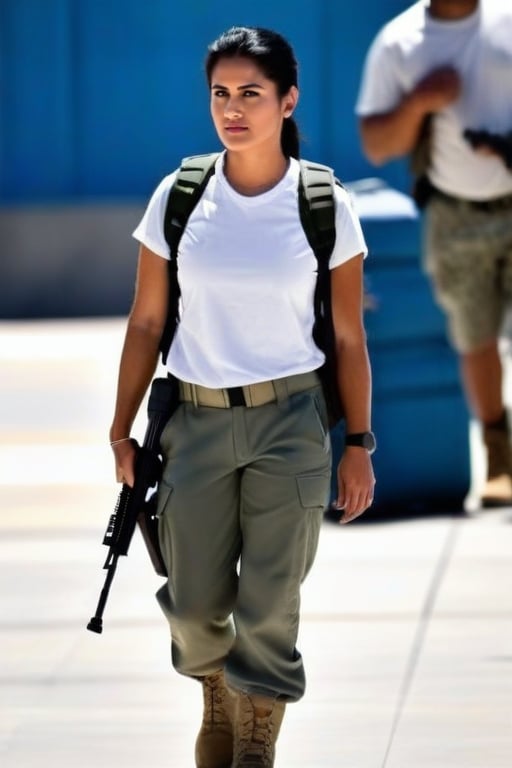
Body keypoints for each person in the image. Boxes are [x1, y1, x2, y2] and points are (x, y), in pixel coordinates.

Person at [109, 26, 375, 768]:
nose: (234, 108)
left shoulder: (323, 203)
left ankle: (257, 733)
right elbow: (147, 320)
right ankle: (215, 691)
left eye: (251, 93)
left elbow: (349, 340)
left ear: (287, 101)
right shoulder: (181, 196)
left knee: (270, 598)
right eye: (221, 94)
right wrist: (120, 428)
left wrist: (358, 445)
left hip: (291, 420)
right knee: (193, 603)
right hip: (193, 421)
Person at [356, 0, 512, 508]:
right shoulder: (400, 41)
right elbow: (377, 144)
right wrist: (419, 102)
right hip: (453, 212)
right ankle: (500, 460)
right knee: (476, 336)